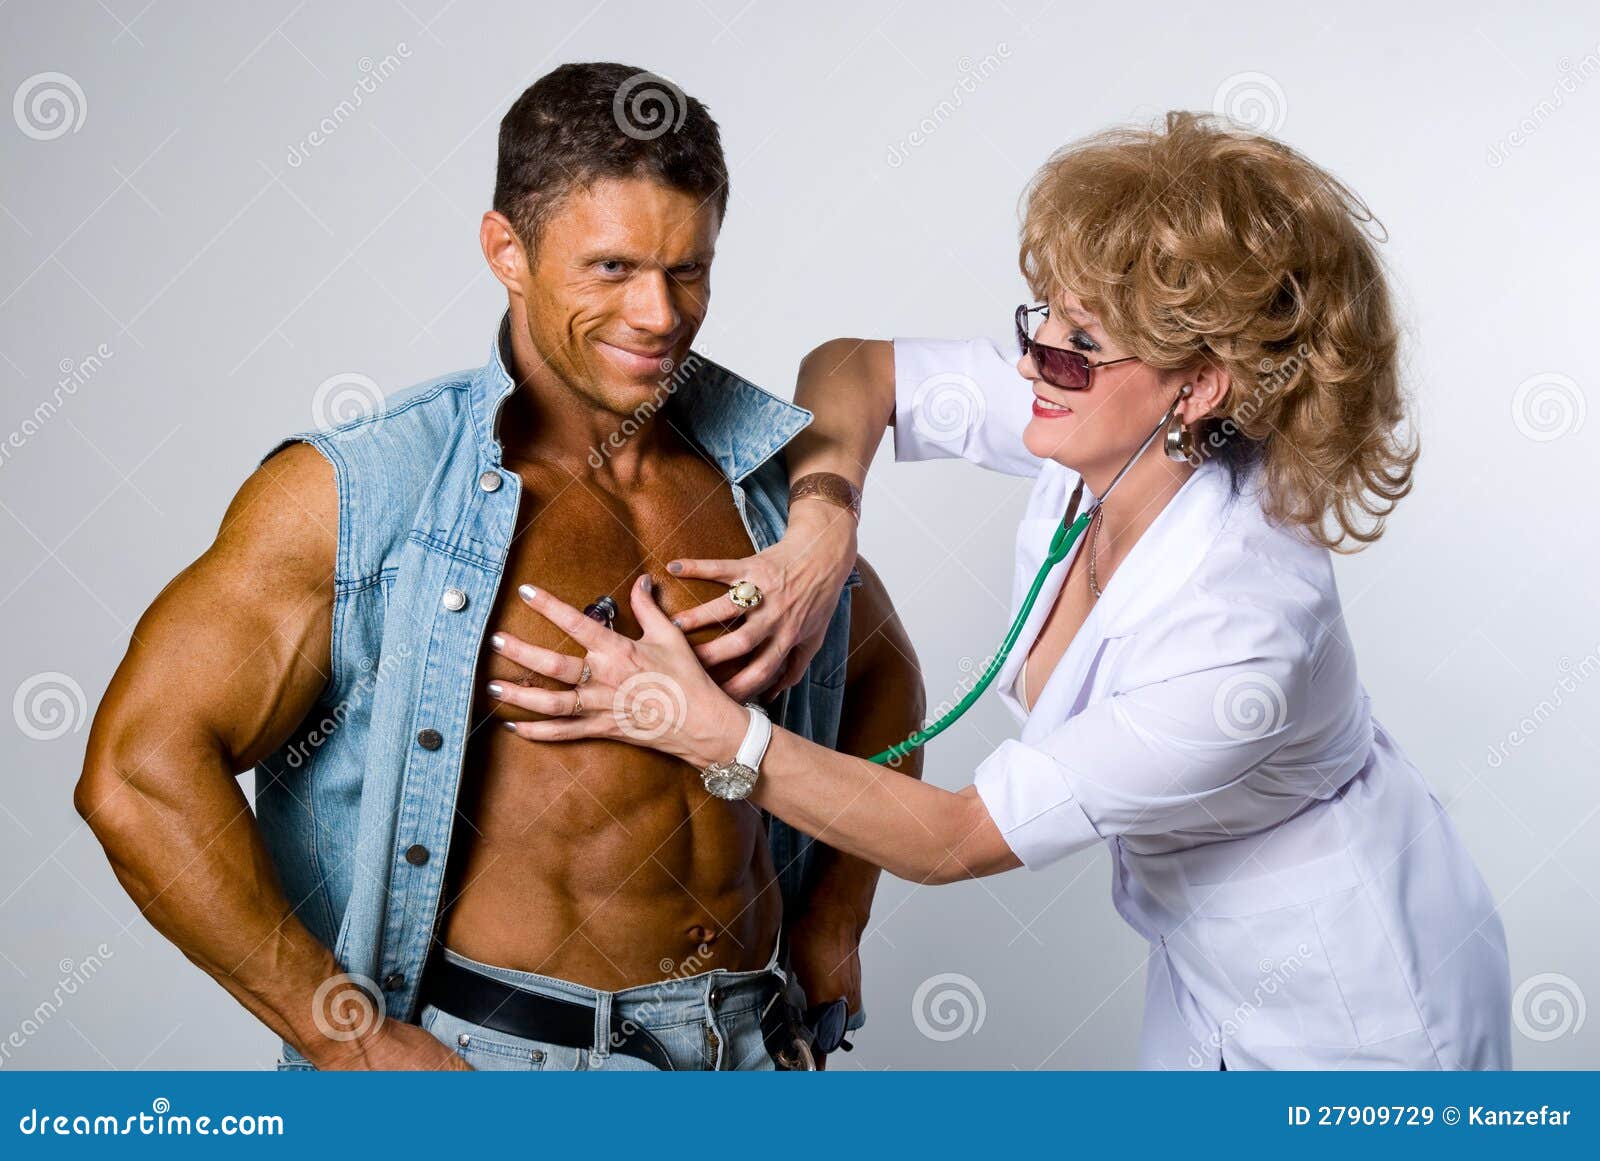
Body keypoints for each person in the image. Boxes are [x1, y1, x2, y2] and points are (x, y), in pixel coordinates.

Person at [491, 111, 1513, 1069]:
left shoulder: (1244, 634)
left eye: (1078, 348)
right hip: (1201, 960)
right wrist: (822, 524)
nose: (1034, 364)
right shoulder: (1097, 426)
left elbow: (952, 840)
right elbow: (854, 367)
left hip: (1356, 997)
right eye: (1042, 321)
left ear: (1198, 387)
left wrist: (700, 728)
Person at [72, 62, 924, 1072]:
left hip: (750, 1043)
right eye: (611, 269)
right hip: (502, 1066)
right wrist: (342, 1038)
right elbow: (139, 770)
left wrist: (836, 917)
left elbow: (879, 680)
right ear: (506, 252)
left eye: (687, 270)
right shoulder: (366, 493)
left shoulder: (760, 481)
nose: (658, 315)